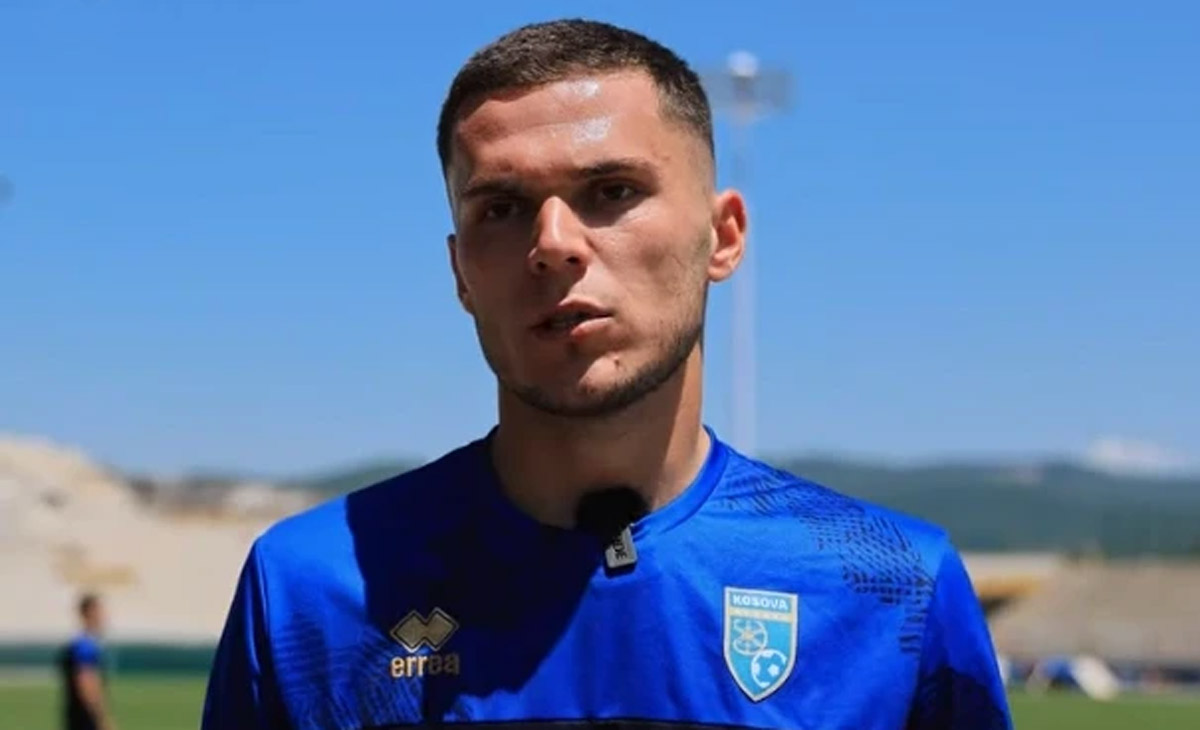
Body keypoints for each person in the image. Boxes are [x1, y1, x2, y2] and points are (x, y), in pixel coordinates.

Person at [202, 18, 1012, 730]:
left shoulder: (894, 590)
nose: (553, 243)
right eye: (501, 208)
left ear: (723, 236)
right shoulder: (309, 592)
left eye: (611, 190)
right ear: (460, 273)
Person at [59, 593, 116, 730]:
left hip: (76, 717)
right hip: (85, 720)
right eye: (100, 611)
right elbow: (86, 683)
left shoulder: (81, 644)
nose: (103, 617)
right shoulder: (85, 646)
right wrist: (103, 720)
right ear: (89, 613)